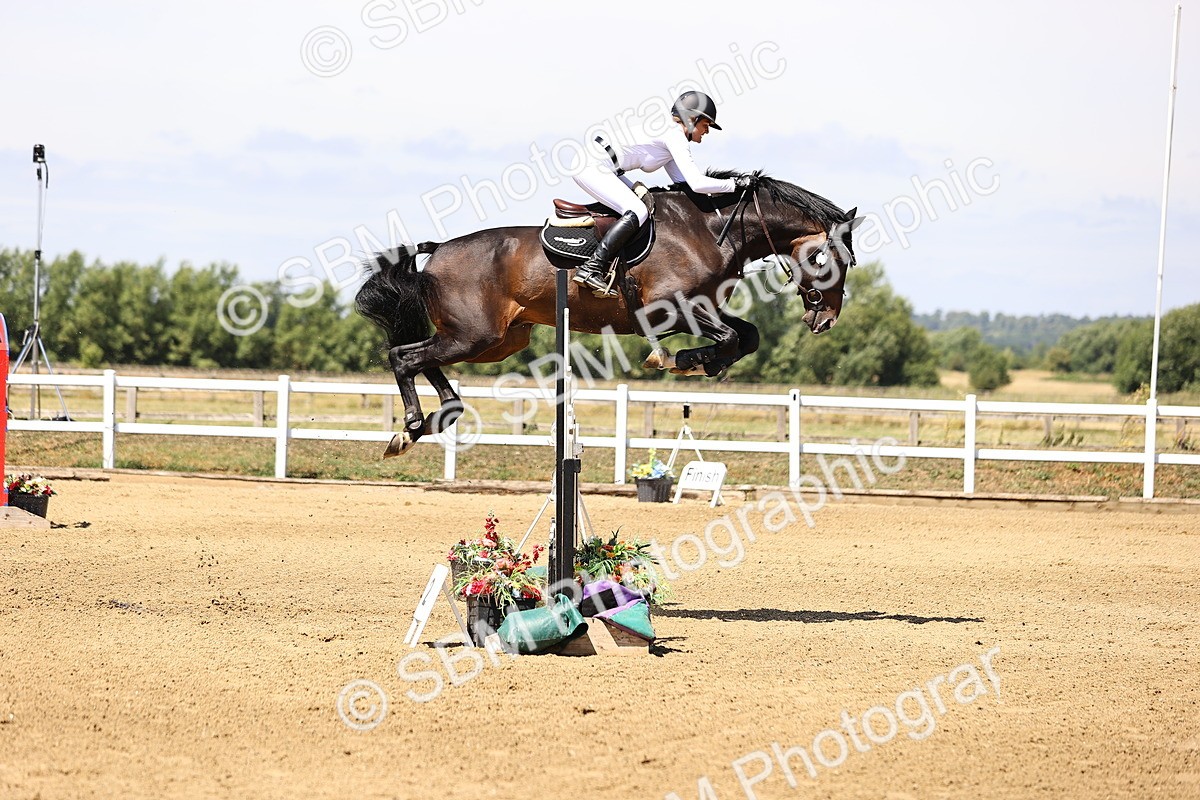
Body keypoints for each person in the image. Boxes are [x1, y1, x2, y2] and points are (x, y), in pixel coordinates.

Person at [571, 90, 752, 297]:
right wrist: (737, 184)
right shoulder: (675, 135)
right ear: (691, 119)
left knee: (642, 203)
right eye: (706, 124)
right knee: (638, 210)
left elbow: (684, 184)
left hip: (606, 166)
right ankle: (591, 268)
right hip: (592, 164)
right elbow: (697, 183)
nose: (707, 131)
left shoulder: (672, 137)